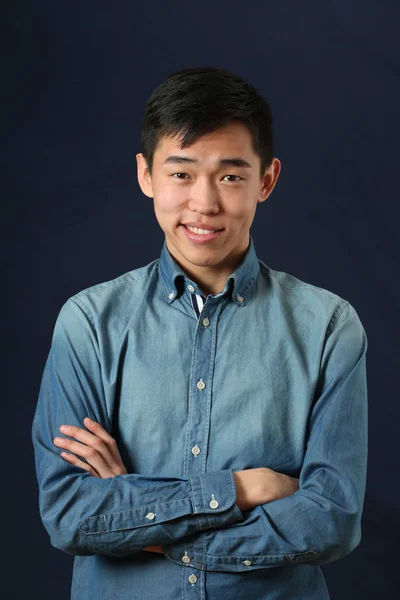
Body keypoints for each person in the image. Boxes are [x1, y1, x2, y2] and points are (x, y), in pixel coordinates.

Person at [31, 66, 368, 600]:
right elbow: (71, 516)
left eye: (231, 176)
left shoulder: (329, 327)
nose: (205, 203)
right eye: (181, 173)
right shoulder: (88, 323)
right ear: (146, 176)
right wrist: (240, 490)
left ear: (267, 180)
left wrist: (141, 521)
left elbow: (331, 518)